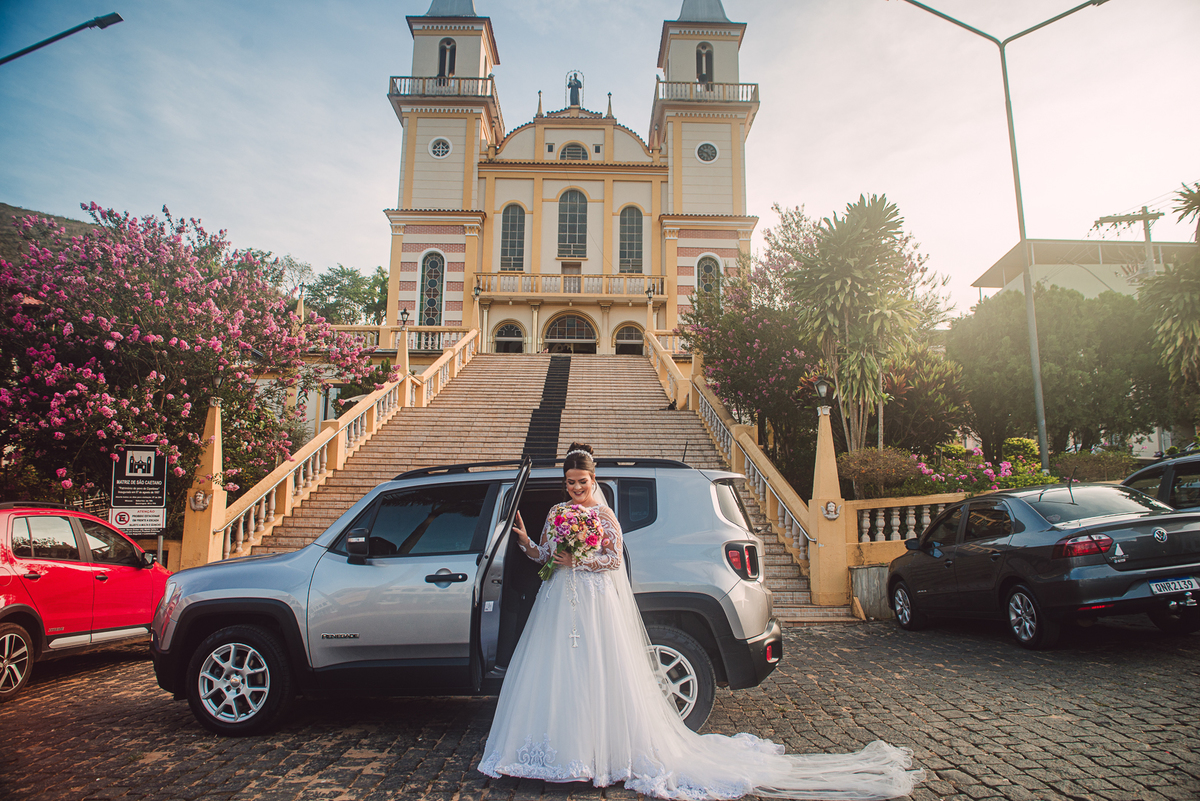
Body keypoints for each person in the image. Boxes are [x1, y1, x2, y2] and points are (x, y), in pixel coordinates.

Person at [478, 443, 923, 800]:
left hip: (594, 602)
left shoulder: (605, 515)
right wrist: (526, 544)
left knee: (600, 670)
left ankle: (600, 754)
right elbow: (545, 559)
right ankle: (557, 752)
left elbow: (613, 560)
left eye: (583, 481)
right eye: (571, 482)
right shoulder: (557, 514)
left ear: (593, 480)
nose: (576, 488)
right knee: (559, 673)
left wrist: (579, 558)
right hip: (558, 604)